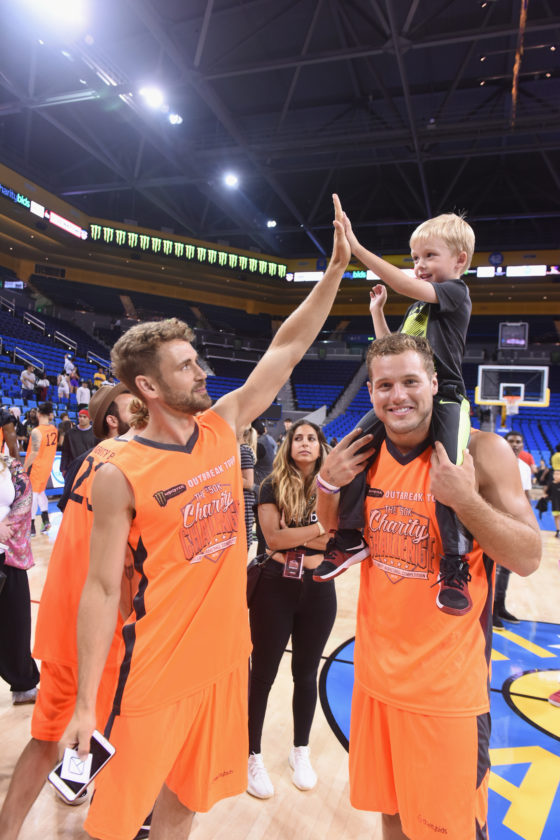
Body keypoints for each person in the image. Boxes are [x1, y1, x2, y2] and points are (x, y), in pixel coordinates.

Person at [61, 195, 350, 840]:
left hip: (225, 657)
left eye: (198, 360)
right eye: (187, 366)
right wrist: (84, 702)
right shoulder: (119, 472)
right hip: (153, 668)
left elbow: (290, 344)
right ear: (148, 388)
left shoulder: (223, 425)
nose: (204, 371)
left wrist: (333, 274)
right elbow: (103, 588)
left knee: (186, 802)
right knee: (112, 823)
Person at [316, 333, 541, 840]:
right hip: (374, 680)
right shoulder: (364, 453)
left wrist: (466, 501)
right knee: (392, 817)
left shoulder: (482, 453)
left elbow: (527, 557)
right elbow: (333, 531)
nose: (398, 396)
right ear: (370, 393)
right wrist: (327, 485)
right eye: (384, 385)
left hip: (446, 694)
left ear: (434, 384)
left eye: (410, 382)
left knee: (450, 831)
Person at [314, 206, 475, 620]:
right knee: (355, 447)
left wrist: (357, 248)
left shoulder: (455, 292)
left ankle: (454, 564)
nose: (419, 266)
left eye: (429, 256)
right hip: (408, 394)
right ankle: (350, 536)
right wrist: (376, 314)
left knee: (449, 472)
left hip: (446, 397)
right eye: (416, 258)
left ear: (459, 261)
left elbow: (403, 282)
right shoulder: (417, 311)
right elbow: (391, 356)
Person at [0, 384, 138, 840]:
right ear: (113, 420)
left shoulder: (97, 459)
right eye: (133, 401)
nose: (145, 404)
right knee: (105, 738)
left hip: (70, 624)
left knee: (50, 740)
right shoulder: (127, 465)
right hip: (95, 631)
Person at [247, 420, 333, 799]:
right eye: (297, 438)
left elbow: (339, 540)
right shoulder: (270, 485)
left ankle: (301, 751)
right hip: (274, 588)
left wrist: (301, 535)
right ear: (287, 445)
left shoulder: (333, 489)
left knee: (306, 674)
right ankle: (252, 755)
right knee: (263, 674)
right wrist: (318, 530)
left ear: (320, 447)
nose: (304, 443)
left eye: (311, 438)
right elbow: (272, 538)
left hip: (318, 590)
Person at [0, 452, 38, 706]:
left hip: (9, 552)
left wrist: (7, 529)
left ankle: (24, 683)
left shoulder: (9, 464)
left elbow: (25, 496)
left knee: (16, 622)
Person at [492, 431, 532, 629]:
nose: (515, 444)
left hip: (515, 524)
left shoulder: (524, 468)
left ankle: (500, 607)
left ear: (522, 445)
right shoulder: (495, 463)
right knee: (494, 569)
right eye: (511, 441)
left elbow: (525, 495)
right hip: (496, 521)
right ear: (504, 443)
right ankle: (489, 611)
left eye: (518, 441)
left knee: (506, 569)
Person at [23, 402, 57, 535]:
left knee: (32, 496)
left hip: (36, 467)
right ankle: (46, 520)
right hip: (47, 467)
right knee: (41, 493)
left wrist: (24, 467)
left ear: (39, 414)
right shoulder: (54, 429)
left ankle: (31, 526)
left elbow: (34, 453)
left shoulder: (37, 431)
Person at [60, 408, 96, 476]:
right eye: (80, 416)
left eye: (84, 417)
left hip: (89, 468)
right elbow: (65, 451)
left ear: (90, 419)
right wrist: (63, 468)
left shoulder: (95, 434)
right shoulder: (70, 433)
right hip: (73, 468)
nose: (82, 418)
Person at [240, 425, 257, 550]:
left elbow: (249, 483)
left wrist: (226, 477)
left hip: (244, 501)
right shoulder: (242, 450)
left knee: (243, 541)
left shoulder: (243, 451)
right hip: (242, 500)